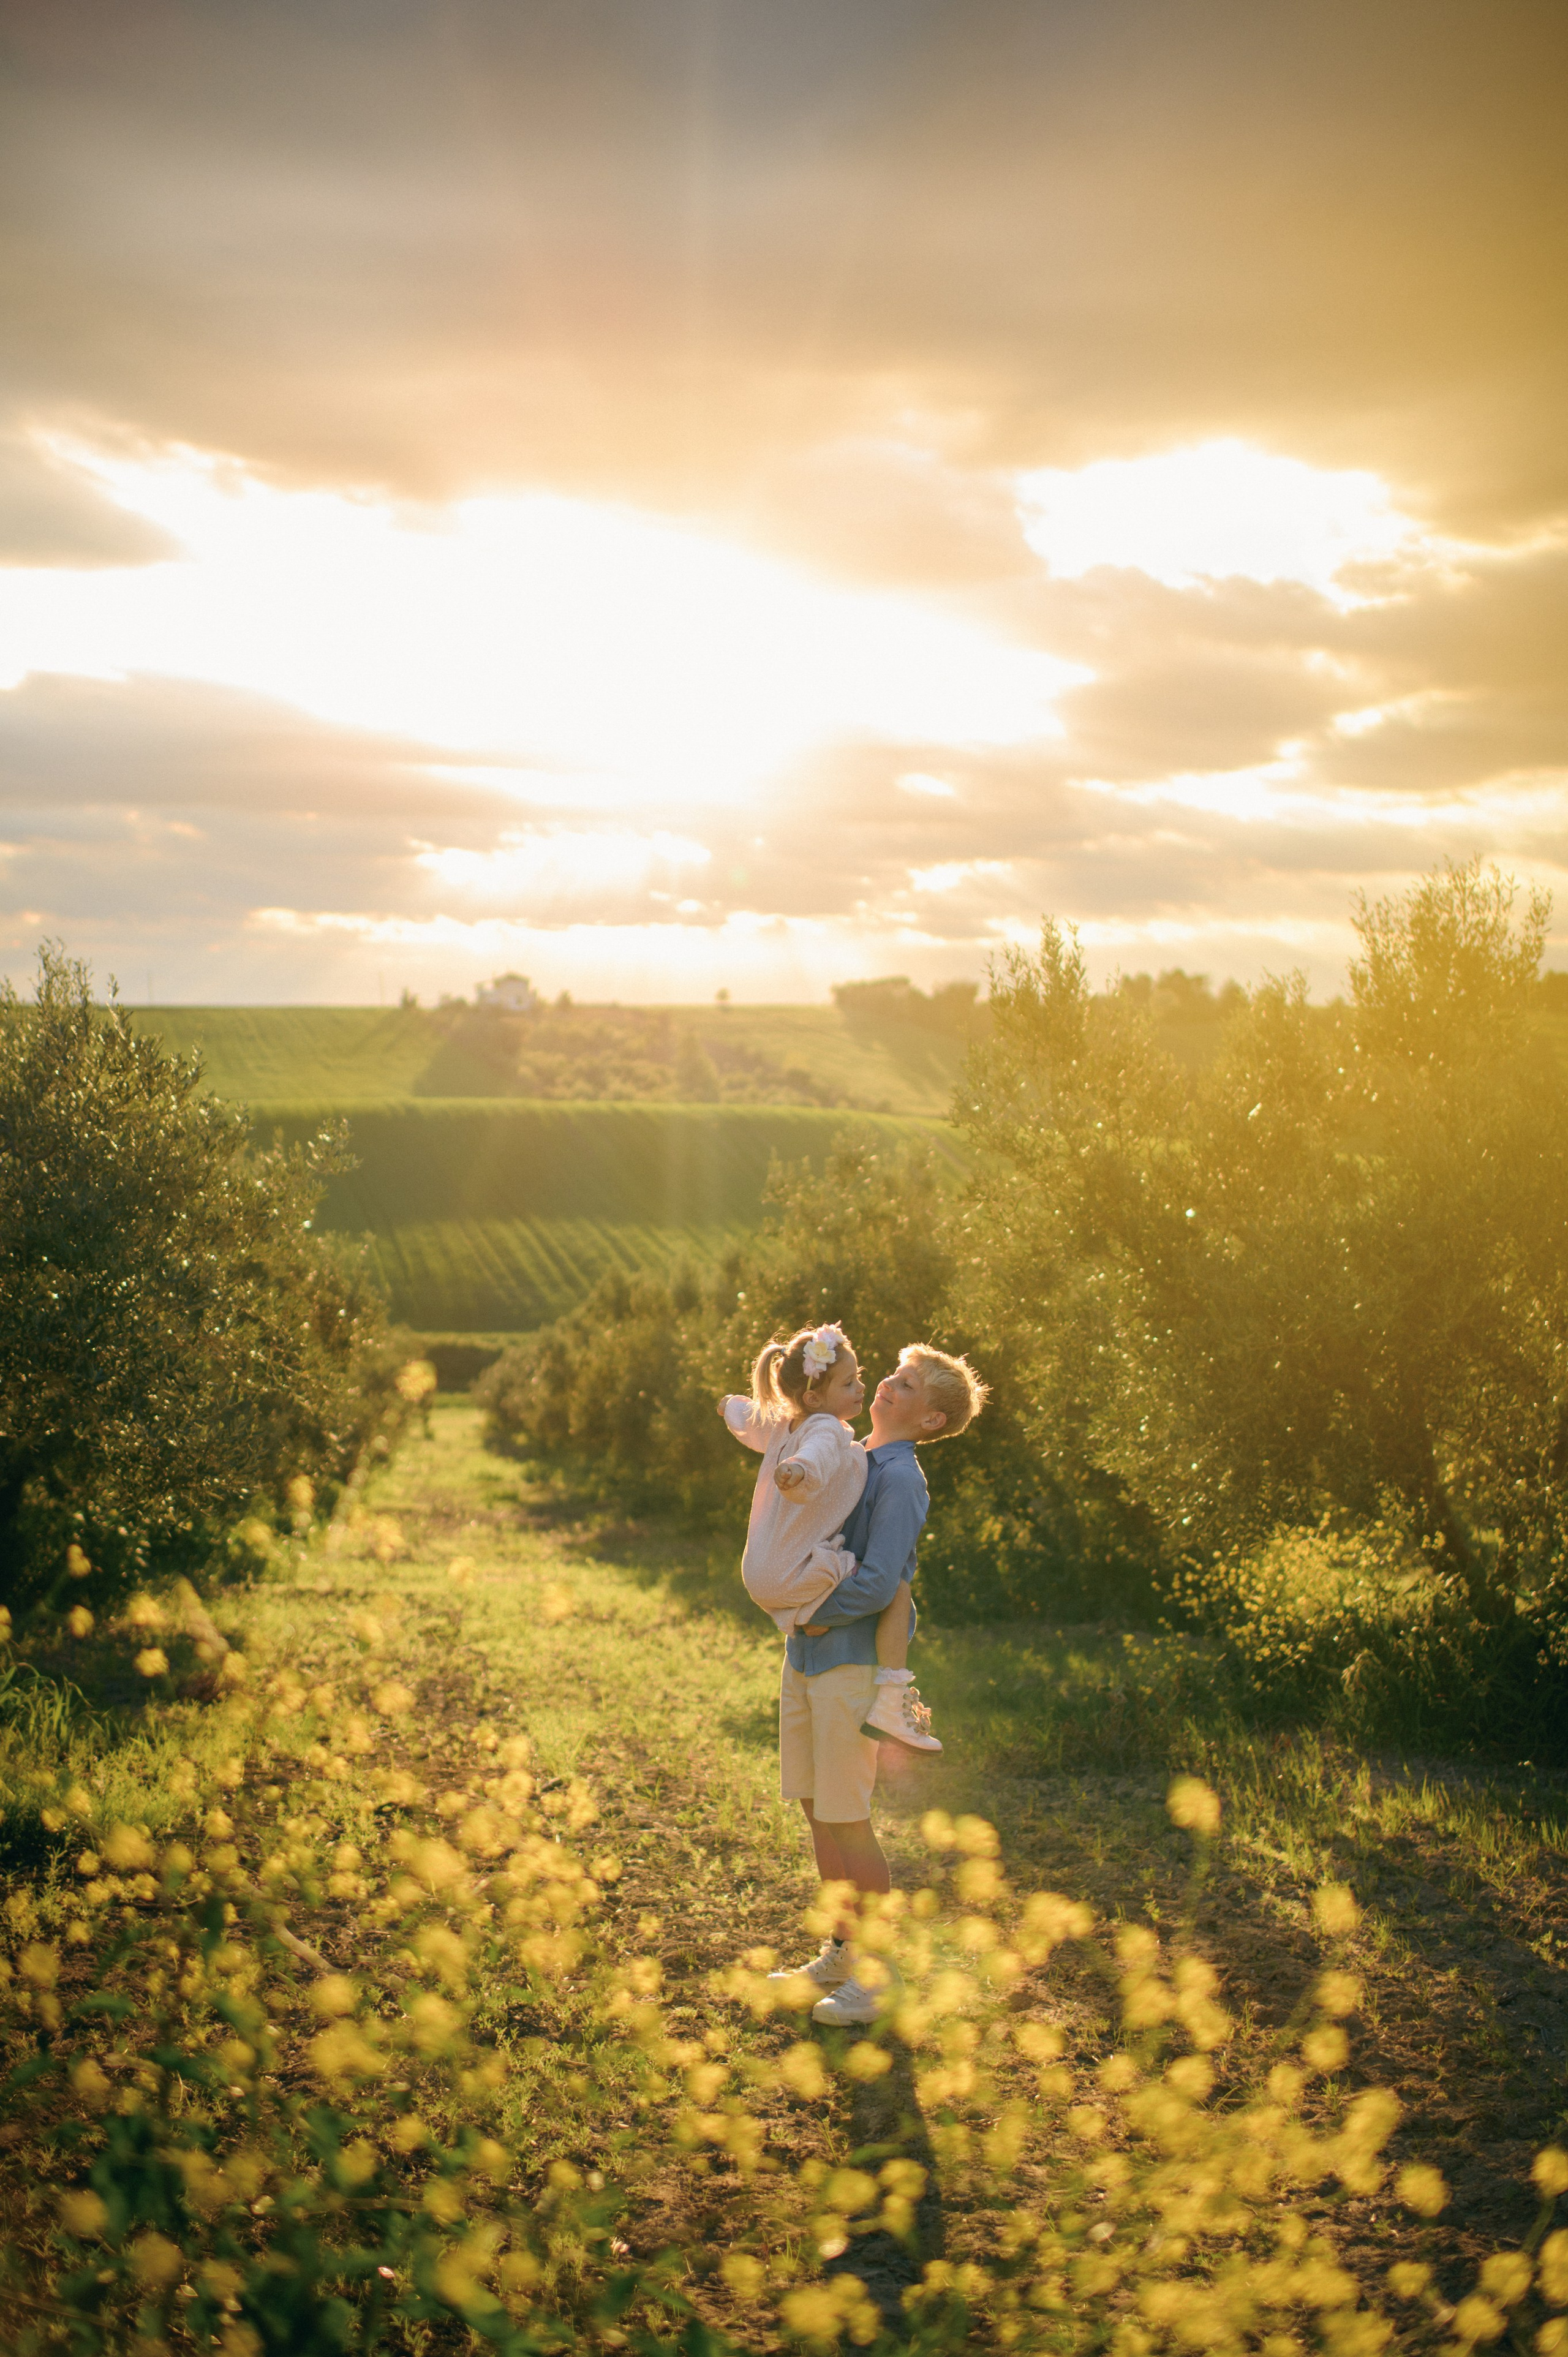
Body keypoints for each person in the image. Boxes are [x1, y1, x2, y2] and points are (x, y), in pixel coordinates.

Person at [748, 1341, 989, 2027]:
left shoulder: (900, 1478)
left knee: (848, 1818)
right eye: (894, 1374)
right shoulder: (847, 1451)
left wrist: (814, 1612)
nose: (887, 1383)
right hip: (805, 1657)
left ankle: (878, 1975)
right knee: (817, 1810)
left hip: (847, 1662)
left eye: (908, 1385)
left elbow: (883, 1581)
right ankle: (844, 1950)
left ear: (931, 1419)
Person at [719, 1325, 921, 1725]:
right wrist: (800, 1470)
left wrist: (728, 1406)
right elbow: (819, 1452)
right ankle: (805, 1618)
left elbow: (751, 1417)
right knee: (865, 1574)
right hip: (788, 1576)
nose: (861, 1387)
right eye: (849, 1383)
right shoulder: (828, 1427)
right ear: (814, 1398)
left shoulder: (783, 1423)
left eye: (858, 1377)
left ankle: (796, 1614)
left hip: (759, 1572)